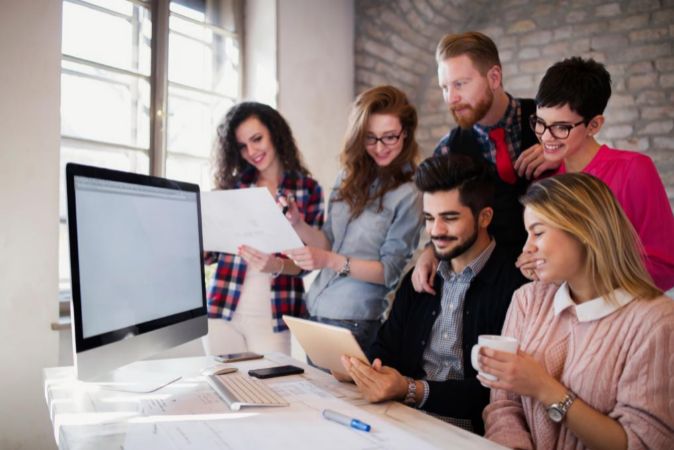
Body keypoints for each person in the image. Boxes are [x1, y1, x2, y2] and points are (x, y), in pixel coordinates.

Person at [480, 173, 674, 450]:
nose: (527, 248)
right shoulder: (528, 300)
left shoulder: (656, 321)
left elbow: (641, 443)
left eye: (538, 232)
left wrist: (543, 387)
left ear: (584, 229)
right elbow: (503, 406)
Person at [338, 154, 527, 434]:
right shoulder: (421, 279)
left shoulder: (515, 288)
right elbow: (386, 348)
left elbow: (497, 393)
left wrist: (412, 390)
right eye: (429, 218)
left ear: (485, 217)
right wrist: (362, 369)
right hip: (400, 422)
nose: (435, 231)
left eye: (449, 218)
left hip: (465, 434)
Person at [412, 31, 556, 294]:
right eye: (445, 87)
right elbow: (441, 215)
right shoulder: (447, 149)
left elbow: (588, 182)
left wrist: (558, 152)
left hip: (552, 276)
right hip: (487, 286)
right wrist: (429, 251)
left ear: (494, 77)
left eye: (460, 84)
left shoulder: (549, 121)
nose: (451, 98)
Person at [284, 85, 422, 351]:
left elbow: (388, 272)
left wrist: (329, 261)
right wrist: (297, 223)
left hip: (354, 321)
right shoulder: (347, 178)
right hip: (314, 309)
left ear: (406, 133)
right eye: (370, 138)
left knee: (340, 395)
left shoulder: (410, 193)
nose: (380, 147)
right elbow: (328, 241)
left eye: (390, 137)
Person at [517, 56, 674, 291]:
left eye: (561, 128)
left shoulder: (633, 170)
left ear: (594, 125)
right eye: (540, 123)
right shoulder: (544, 180)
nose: (546, 137)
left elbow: (664, 267)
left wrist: (583, 276)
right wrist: (534, 264)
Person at [204, 102, 324, 356]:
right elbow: (210, 255)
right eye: (243, 146)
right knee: (223, 389)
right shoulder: (232, 188)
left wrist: (276, 266)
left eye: (257, 139)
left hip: (275, 316)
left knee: (270, 394)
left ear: (274, 133)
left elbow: (310, 260)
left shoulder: (307, 189)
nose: (251, 151)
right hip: (222, 311)